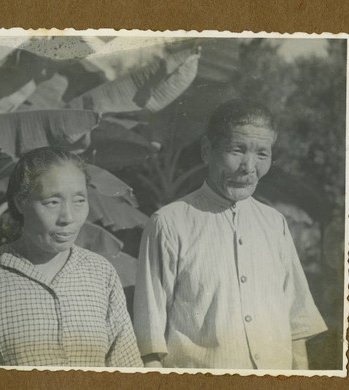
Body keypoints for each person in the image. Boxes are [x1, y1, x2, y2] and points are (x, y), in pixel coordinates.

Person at [133, 99, 327, 369]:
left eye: (262, 153)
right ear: (206, 151)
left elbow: (296, 325)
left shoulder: (275, 224)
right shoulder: (168, 223)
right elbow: (150, 340)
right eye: (237, 150)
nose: (248, 166)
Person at [0, 147, 142, 367]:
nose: (68, 217)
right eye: (52, 202)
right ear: (21, 202)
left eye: (79, 200)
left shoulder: (101, 274)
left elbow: (126, 370)